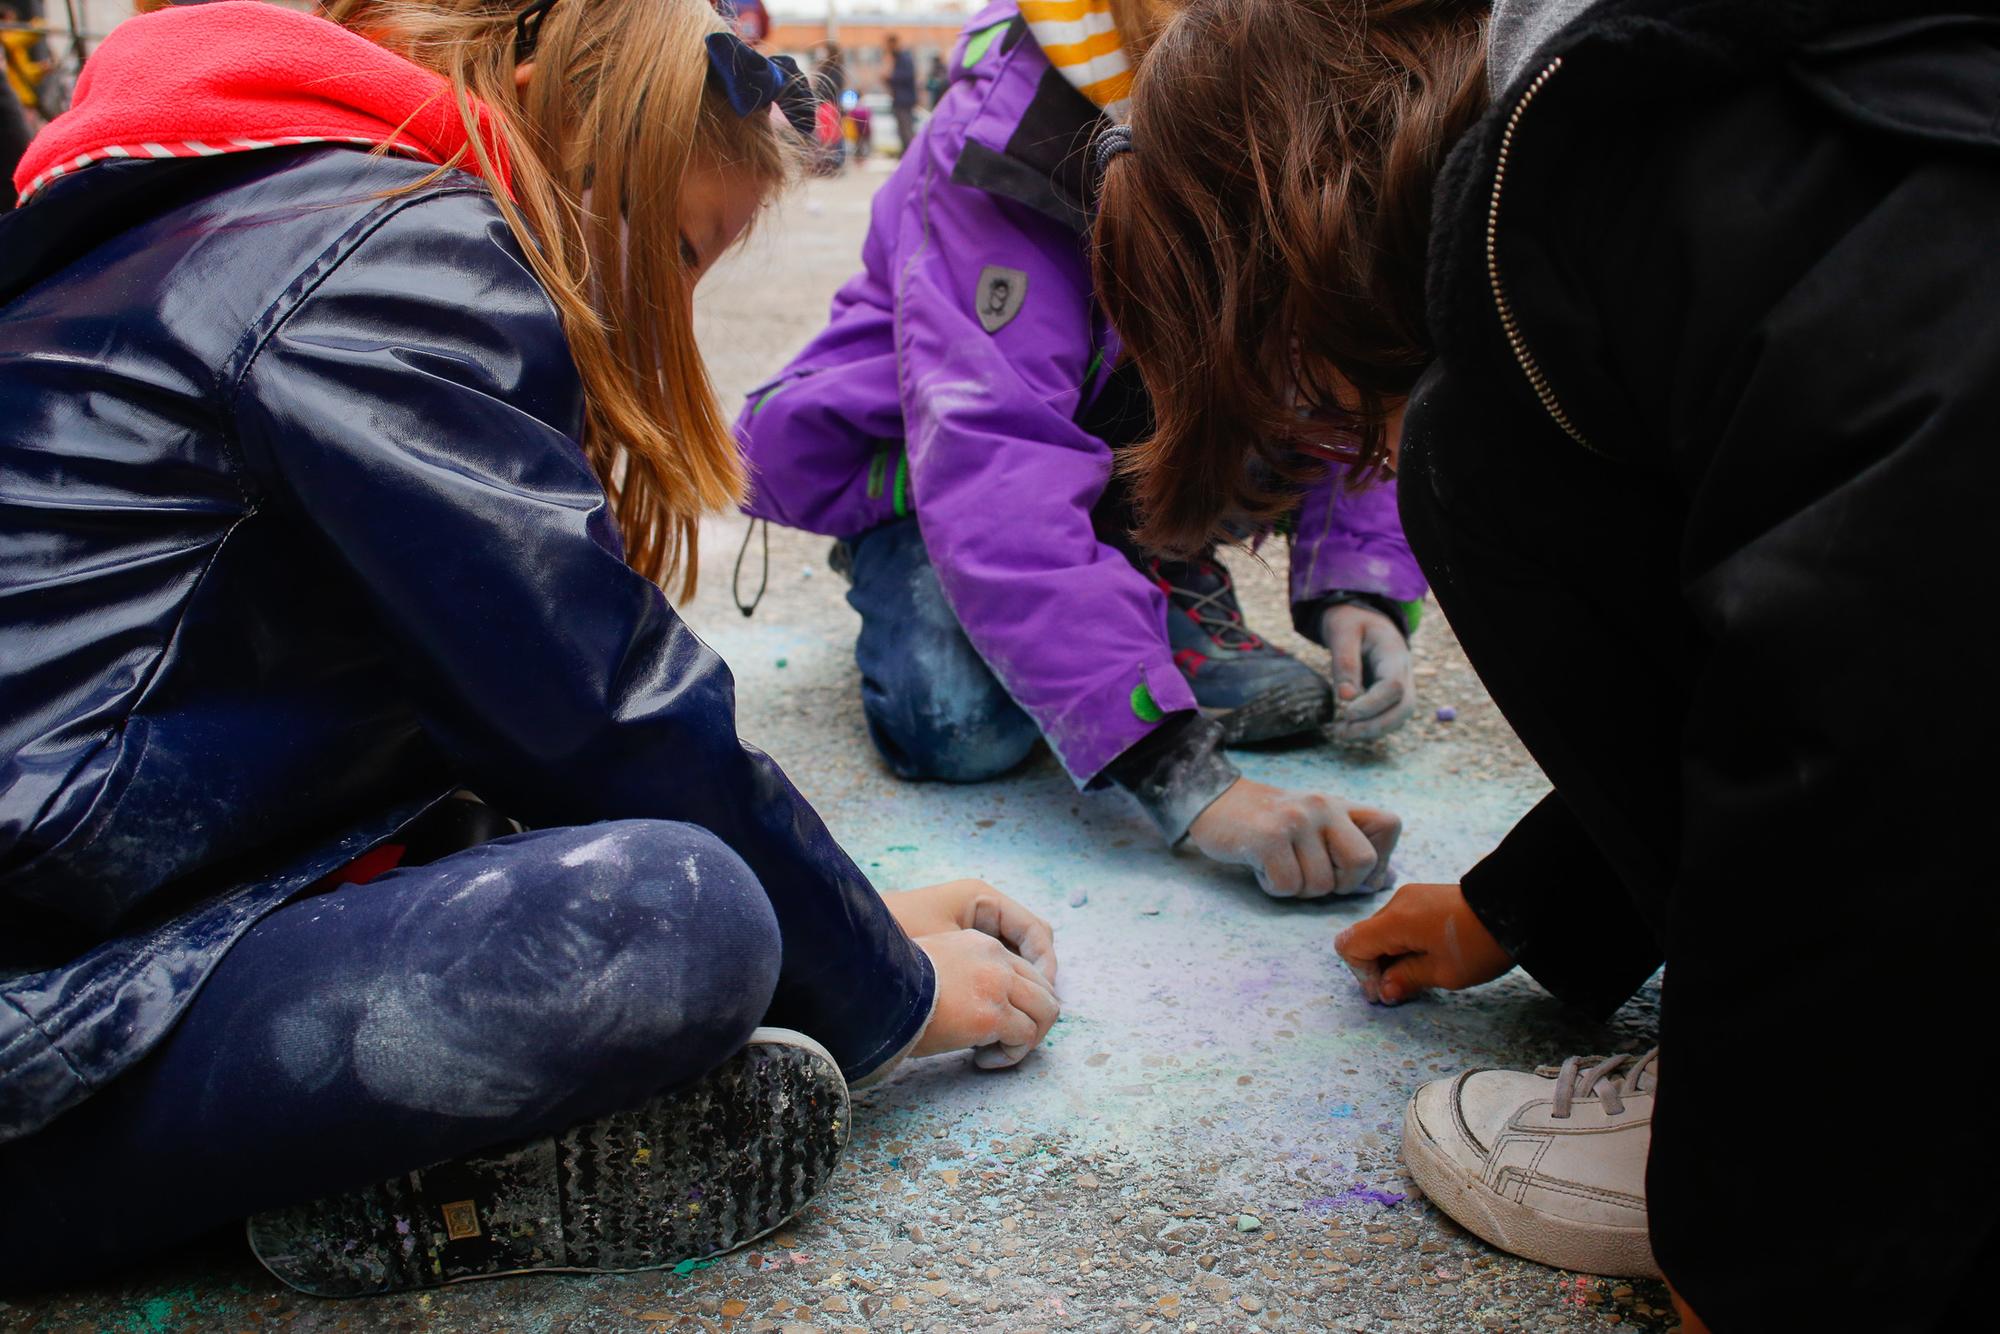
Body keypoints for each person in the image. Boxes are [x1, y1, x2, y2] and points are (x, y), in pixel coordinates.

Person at [0, 0, 1059, 1297]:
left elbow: (460, 734)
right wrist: (883, 988)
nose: (669, 304)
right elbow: (598, 713)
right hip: (45, 1026)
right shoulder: (392, 248)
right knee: (677, 911)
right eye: (675, 250)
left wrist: (848, 915)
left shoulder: (258, 208)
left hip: (80, 954)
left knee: (664, 892)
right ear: (573, 118)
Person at [1092, 0, 2000, 1327]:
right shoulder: (1660, 116)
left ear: (1287, 251)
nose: (1330, 430)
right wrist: (1523, 907)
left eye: (1293, 383)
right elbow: (1816, 593)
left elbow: (1880, 700)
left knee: (1470, 451)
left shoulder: (1560, 191)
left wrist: (1775, 1239)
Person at [735, 0, 1412, 901]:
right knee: (959, 731)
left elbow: (1337, 337)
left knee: (1244, 319)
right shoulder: (1005, 142)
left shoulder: (1299, 78)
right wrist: (1185, 778)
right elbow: (995, 451)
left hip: (1103, 444)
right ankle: (914, 536)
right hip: (949, 454)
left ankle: (1149, 565)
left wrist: (1355, 579)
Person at [883, 29, 917, 151]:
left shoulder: (903, 58)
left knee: (906, 131)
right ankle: (906, 156)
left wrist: (890, 77)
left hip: (904, 100)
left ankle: (911, 157)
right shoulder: (897, 58)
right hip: (900, 99)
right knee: (902, 132)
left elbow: (907, 76)